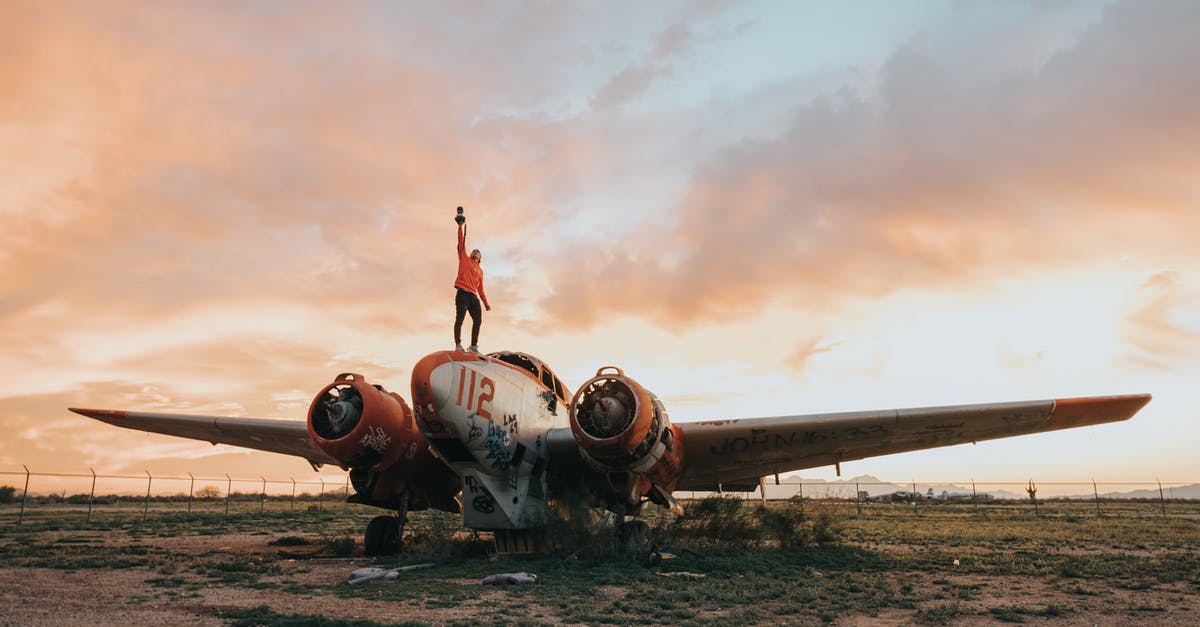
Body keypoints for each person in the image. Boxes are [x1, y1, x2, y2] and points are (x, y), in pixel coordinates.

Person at [452, 208, 490, 353]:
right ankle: (458, 345)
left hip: (474, 297)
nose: (475, 252)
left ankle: (473, 346)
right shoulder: (464, 258)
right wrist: (460, 226)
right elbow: (461, 242)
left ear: (480, 258)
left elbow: (481, 290)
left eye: (478, 252)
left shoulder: (480, 271)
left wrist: (486, 303)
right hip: (462, 293)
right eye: (474, 250)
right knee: (460, 319)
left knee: (478, 320)